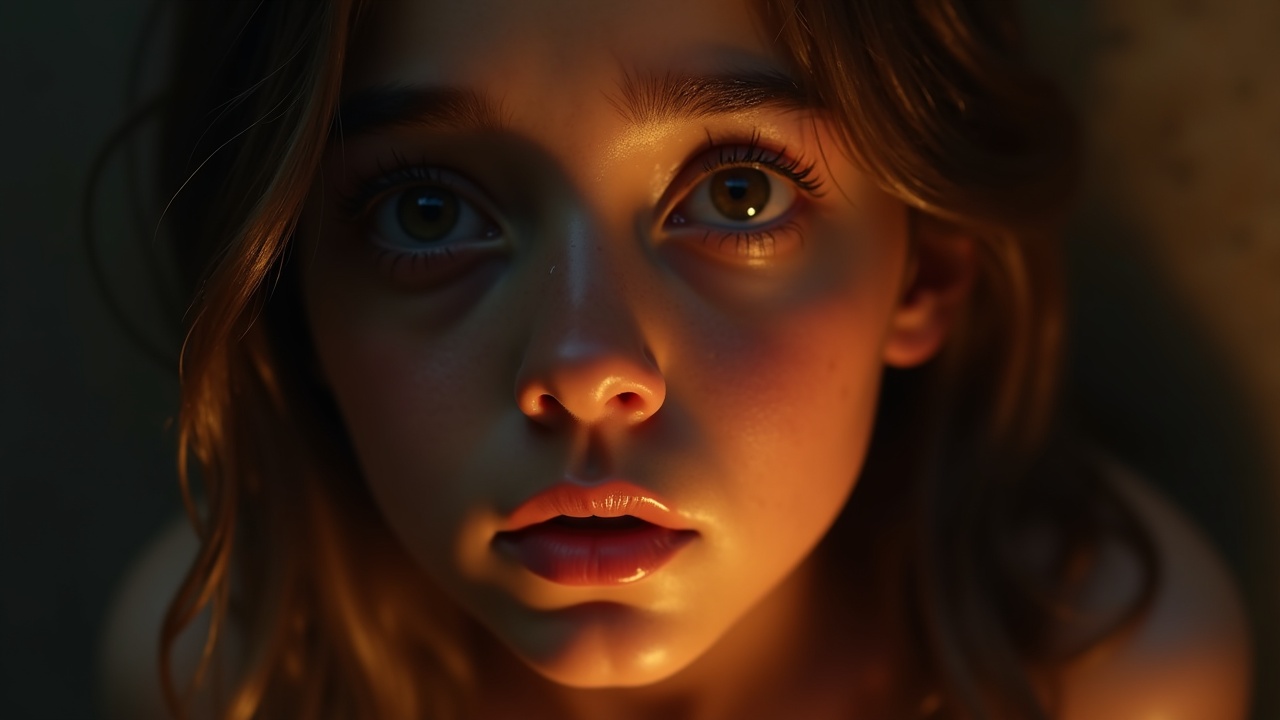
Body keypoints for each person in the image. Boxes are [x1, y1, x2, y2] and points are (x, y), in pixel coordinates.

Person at [98, 0, 1252, 717]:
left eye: (736, 194)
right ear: (290, 295)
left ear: (923, 274)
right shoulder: (232, 679)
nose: (585, 364)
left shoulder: (1101, 672)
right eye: (427, 213)